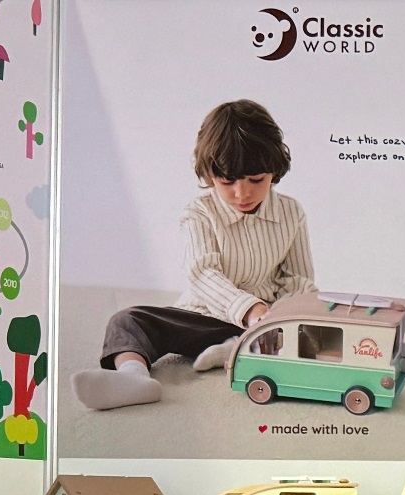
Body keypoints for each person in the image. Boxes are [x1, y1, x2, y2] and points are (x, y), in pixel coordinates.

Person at [72, 100, 316, 411]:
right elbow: (202, 273)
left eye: (256, 180)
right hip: (204, 318)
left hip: (266, 325)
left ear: (274, 170)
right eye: (227, 182)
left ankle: (241, 348)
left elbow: (299, 280)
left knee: (311, 331)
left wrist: (273, 317)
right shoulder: (200, 212)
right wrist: (248, 308)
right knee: (126, 320)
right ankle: (133, 377)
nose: (242, 193)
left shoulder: (291, 212)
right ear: (210, 175)